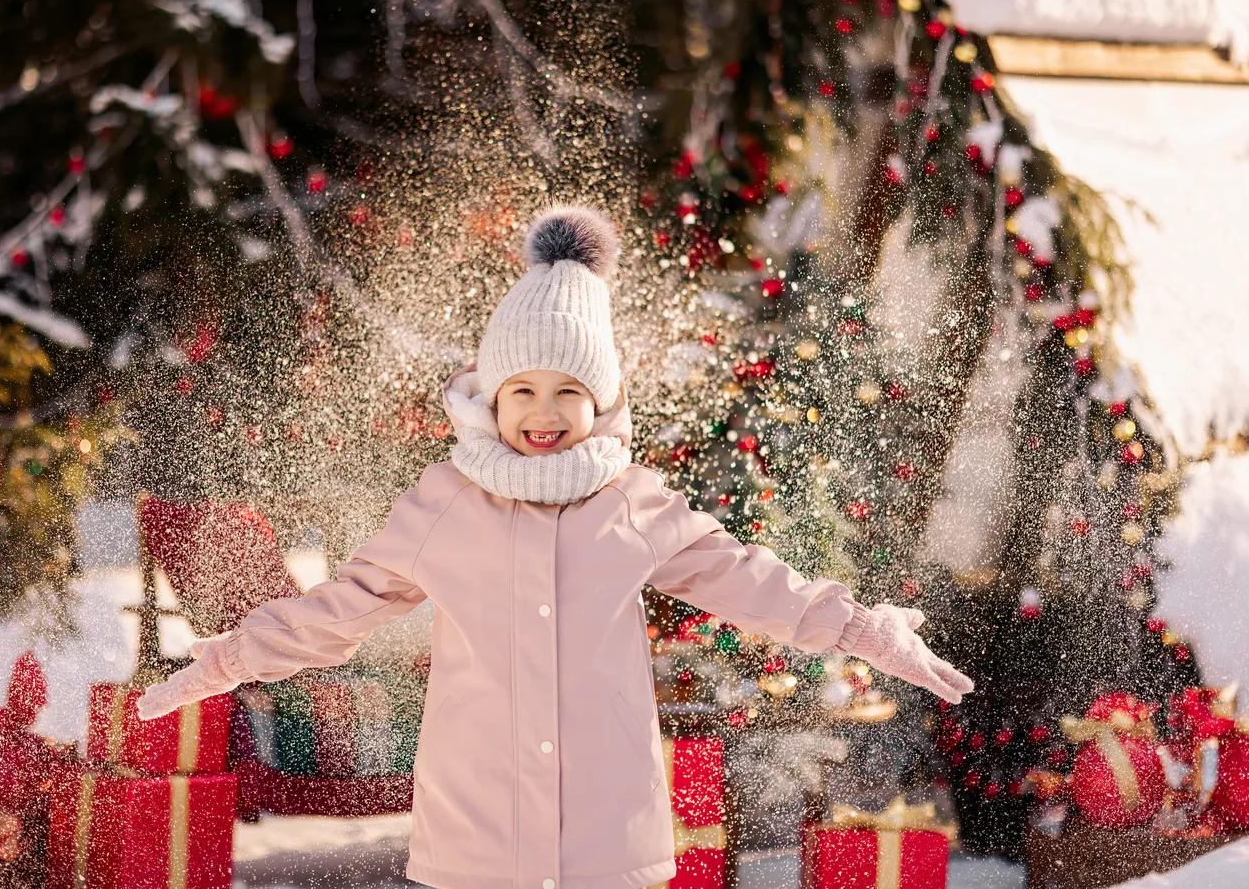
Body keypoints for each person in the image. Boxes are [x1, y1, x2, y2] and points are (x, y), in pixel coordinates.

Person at [135, 204, 973, 889]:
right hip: (477, 829)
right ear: (492, 398)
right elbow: (338, 611)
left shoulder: (633, 503)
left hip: (605, 828)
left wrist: (860, 629)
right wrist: (231, 659)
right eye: (524, 388)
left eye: (570, 390)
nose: (545, 410)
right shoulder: (444, 505)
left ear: (601, 400)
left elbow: (747, 580)